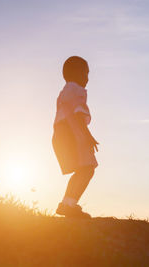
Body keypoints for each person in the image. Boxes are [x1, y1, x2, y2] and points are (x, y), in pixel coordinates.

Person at [52, 56, 99, 219]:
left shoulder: (64, 91)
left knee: (82, 170)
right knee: (87, 169)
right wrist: (89, 136)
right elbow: (79, 114)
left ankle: (67, 204)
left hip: (62, 135)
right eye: (86, 73)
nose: (87, 78)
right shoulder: (77, 90)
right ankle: (68, 204)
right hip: (73, 135)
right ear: (77, 73)